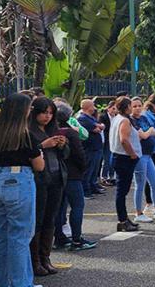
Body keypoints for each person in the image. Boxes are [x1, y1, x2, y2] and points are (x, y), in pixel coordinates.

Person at [0, 93, 45, 286]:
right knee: (20, 236)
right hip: (19, 180)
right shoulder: (26, 135)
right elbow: (39, 165)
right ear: (23, 111)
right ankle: (22, 283)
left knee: (0, 235)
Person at [28, 97, 67, 277]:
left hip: (56, 177)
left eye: (50, 113)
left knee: (50, 219)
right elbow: (25, 153)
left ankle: (45, 258)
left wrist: (62, 145)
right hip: (40, 180)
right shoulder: (29, 131)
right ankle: (35, 260)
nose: (47, 116)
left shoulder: (53, 129)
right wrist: (43, 145)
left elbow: (65, 155)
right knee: (38, 219)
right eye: (44, 113)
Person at [53, 102, 97, 251]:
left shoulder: (51, 131)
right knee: (77, 206)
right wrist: (83, 169)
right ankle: (77, 239)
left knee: (59, 207)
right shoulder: (70, 132)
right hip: (72, 174)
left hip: (56, 174)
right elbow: (79, 154)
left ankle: (59, 237)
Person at [110, 97, 152, 232]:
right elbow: (124, 140)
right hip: (124, 157)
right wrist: (132, 154)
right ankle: (122, 220)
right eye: (130, 105)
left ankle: (124, 219)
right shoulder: (124, 120)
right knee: (122, 191)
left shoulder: (118, 118)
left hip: (120, 156)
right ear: (127, 107)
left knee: (123, 190)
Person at [77, 99, 105, 199]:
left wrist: (99, 126)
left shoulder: (91, 118)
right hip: (90, 148)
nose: (94, 108)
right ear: (88, 107)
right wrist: (99, 127)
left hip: (96, 148)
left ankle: (93, 186)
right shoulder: (83, 118)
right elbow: (97, 128)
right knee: (88, 170)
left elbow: (100, 126)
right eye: (93, 106)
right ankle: (85, 191)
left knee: (94, 170)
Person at [99, 101, 116, 186]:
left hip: (114, 140)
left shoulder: (117, 117)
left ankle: (111, 176)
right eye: (113, 108)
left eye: (116, 109)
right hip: (107, 141)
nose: (114, 111)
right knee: (107, 159)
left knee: (113, 160)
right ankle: (104, 177)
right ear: (108, 108)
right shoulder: (103, 117)